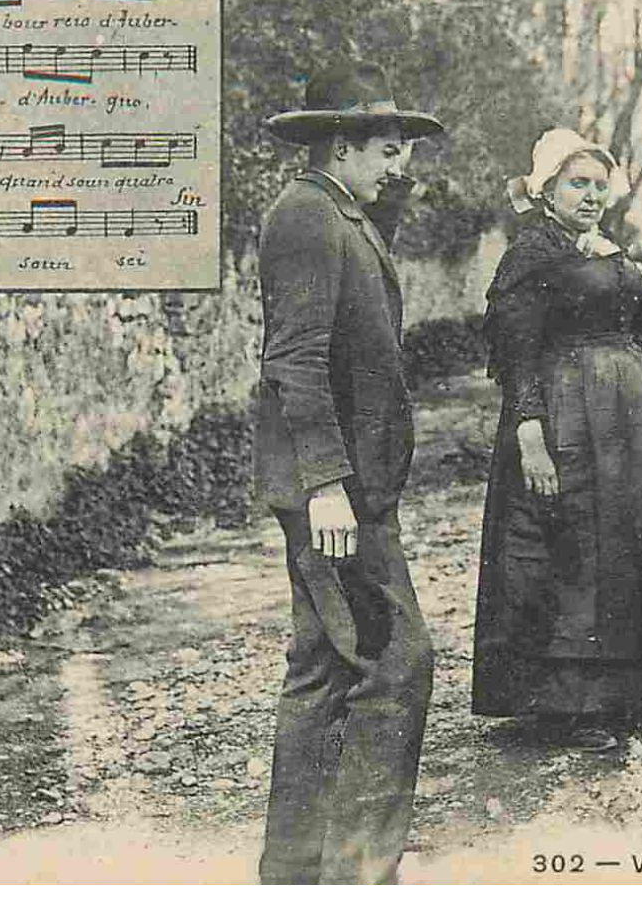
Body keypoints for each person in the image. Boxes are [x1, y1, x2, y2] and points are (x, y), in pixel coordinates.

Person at [253, 60, 443, 883]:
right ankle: (359, 874)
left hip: (348, 485)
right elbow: (293, 360)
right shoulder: (306, 215)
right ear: (341, 146)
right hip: (334, 492)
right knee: (397, 661)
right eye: (388, 150)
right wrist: (326, 484)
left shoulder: (338, 212)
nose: (400, 167)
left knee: (326, 667)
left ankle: (296, 870)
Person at [471, 128, 642, 753]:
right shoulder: (531, 254)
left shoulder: (603, 247)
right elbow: (516, 353)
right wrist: (530, 435)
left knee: (618, 551)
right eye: (578, 184)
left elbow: (627, 330)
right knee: (571, 549)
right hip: (566, 420)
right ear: (546, 189)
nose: (591, 196)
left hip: (622, 428)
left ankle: (616, 694)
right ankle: (567, 705)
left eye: (600, 186)